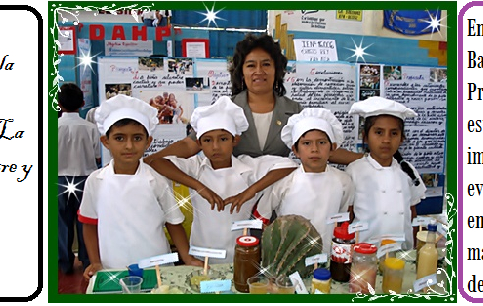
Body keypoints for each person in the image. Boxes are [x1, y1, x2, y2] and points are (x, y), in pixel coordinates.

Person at [144, 33, 361, 209]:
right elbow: (189, 145)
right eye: (251, 65)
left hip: (281, 198)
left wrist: (364, 160)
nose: (259, 71)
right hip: (233, 198)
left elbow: (320, 146)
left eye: (266, 64)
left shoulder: (293, 110)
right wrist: (144, 160)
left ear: (277, 70)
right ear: (241, 72)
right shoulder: (226, 110)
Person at [150, 96, 297, 264]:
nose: (215, 147)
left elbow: (289, 164)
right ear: (199, 143)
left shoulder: (248, 167)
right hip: (201, 255)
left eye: (223, 139)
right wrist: (199, 187)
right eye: (207, 140)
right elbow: (157, 162)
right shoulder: (196, 168)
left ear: (235, 140)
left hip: (241, 255)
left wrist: (249, 192)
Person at [78, 94, 203, 280]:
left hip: (157, 266)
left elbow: (174, 222)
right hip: (113, 266)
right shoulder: (96, 180)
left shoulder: (156, 179)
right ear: (106, 142)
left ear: (148, 141)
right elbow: (89, 224)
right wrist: (95, 261)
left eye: (137, 138)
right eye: (119, 138)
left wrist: (186, 258)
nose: (129, 146)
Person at [253, 108, 355, 254]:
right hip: (288, 257)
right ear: (295, 150)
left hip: (328, 256)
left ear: (332, 147)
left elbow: (345, 218)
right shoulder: (284, 182)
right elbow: (262, 217)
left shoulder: (344, 181)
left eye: (321, 142)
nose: (314, 149)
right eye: (306, 143)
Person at [345, 97, 426, 250]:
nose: (386, 140)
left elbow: (412, 212)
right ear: (365, 137)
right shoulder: (354, 170)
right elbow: (348, 215)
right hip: (364, 253)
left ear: (401, 138)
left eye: (393, 133)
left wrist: (415, 248)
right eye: (379, 132)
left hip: (402, 252)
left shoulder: (408, 170)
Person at [57, 83, 100, 274]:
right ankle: (87, 260)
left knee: (60, 224)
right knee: (86, 221)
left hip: (57, 180)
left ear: (58, 104)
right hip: (85, 180)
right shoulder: (91, 128)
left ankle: (64, 264)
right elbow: (98, 157)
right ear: (83, 103)